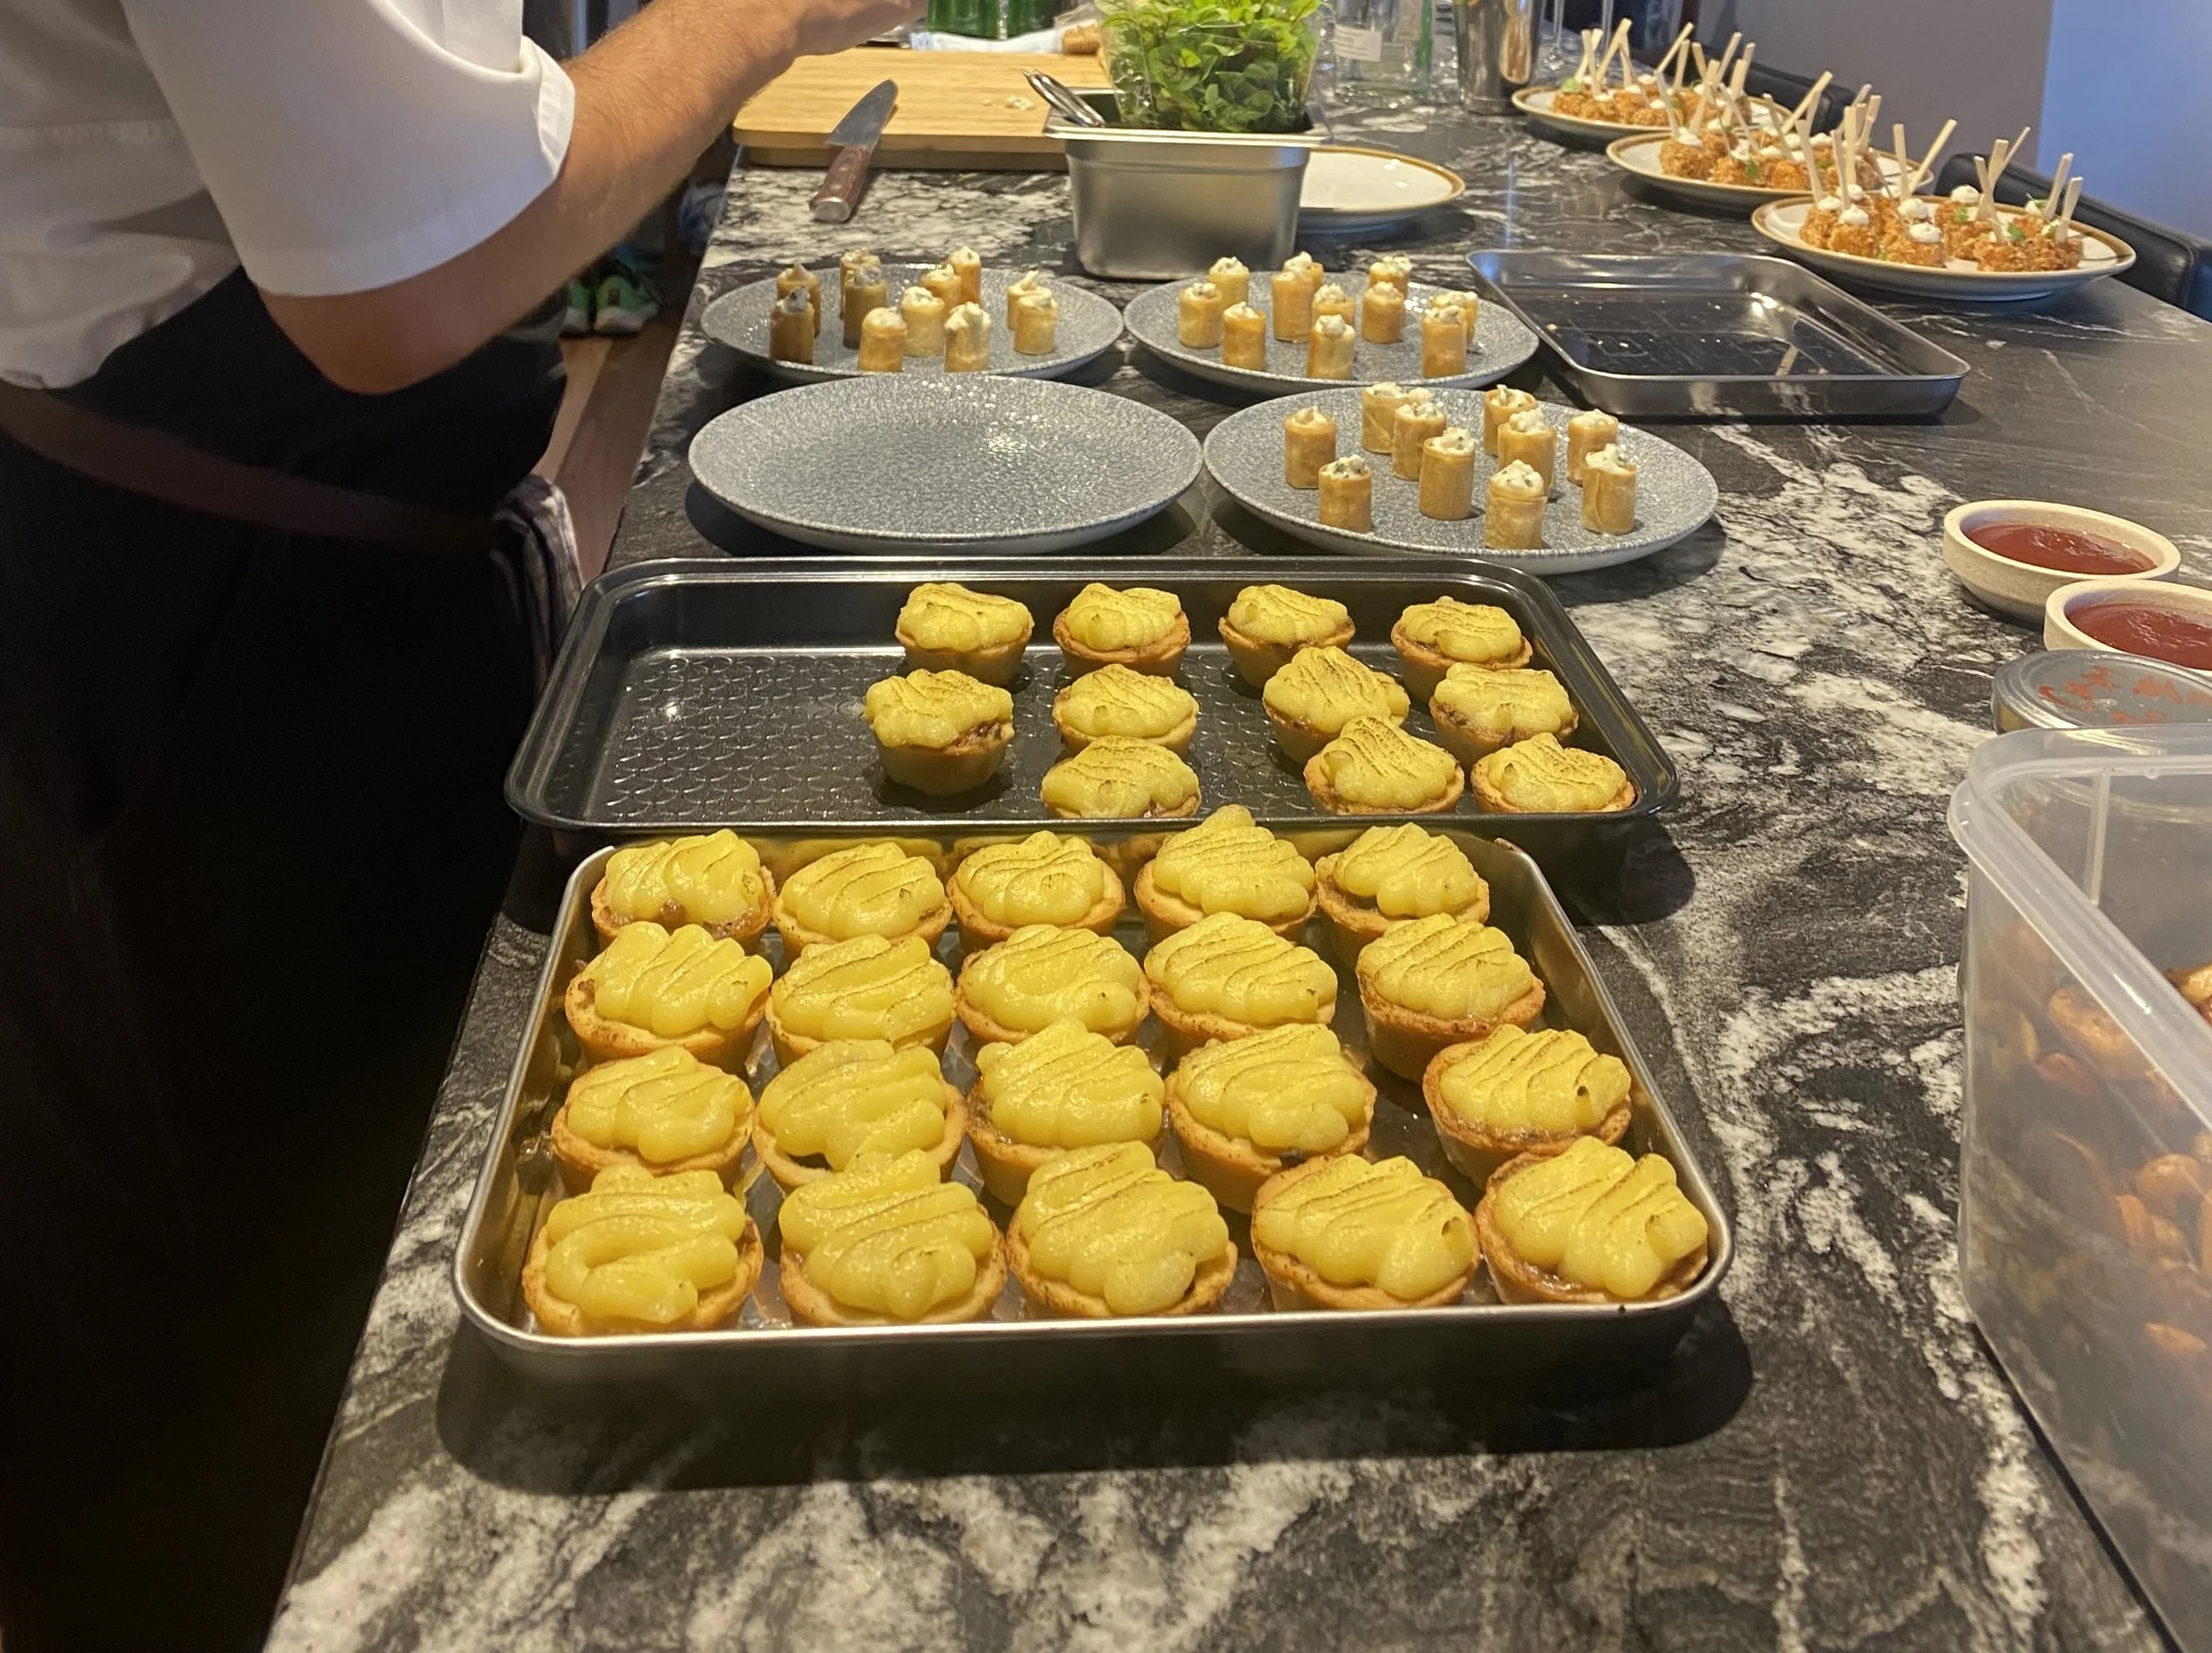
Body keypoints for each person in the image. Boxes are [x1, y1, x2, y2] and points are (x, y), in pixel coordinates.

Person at [0, 1, 916, 1647]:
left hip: (310, 570)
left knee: (359, 1266)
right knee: (228, 1358)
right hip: (201, 626)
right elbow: (409, 274)